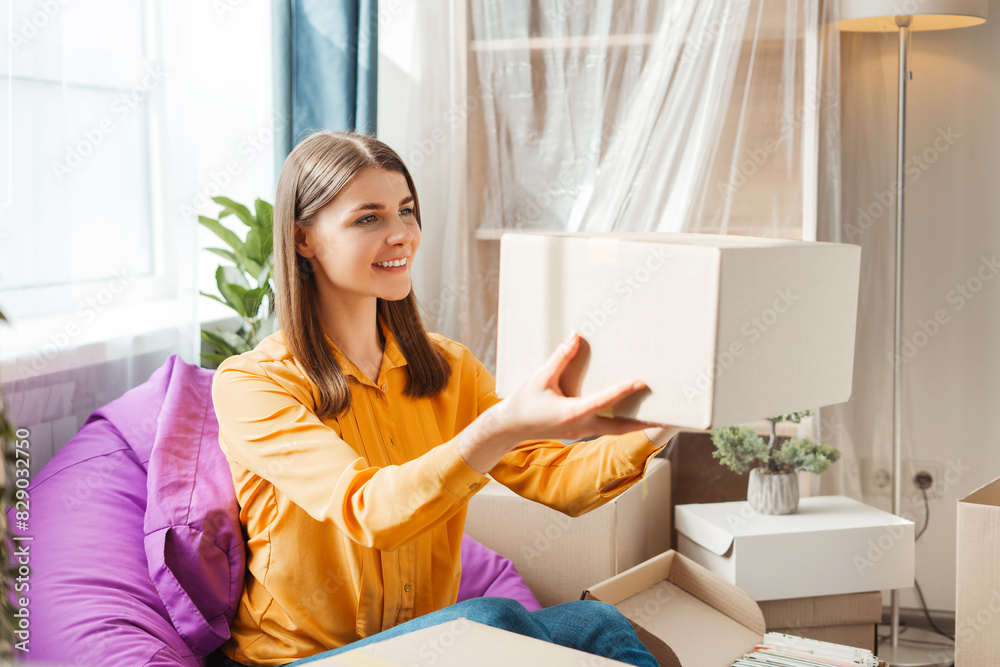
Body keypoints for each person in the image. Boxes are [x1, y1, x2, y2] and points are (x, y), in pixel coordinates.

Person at [212, 131, 679, 667]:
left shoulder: (448, 368)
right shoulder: (253, 384)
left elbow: (556, 478)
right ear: (303, 239)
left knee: (598, 622)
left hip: (420, 651)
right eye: (368, 219)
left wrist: (666, 418)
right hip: (304, 662)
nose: (401, 235)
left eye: (406, 211)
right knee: (488, 620)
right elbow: (370, 510)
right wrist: (498, 427)